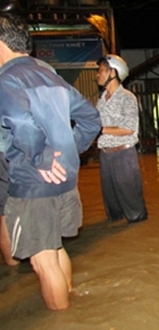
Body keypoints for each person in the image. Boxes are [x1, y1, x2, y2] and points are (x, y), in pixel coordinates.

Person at [0, 14, 101, 310]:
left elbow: (20, 120)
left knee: (42, 262)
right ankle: (70, 306)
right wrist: (68, 151)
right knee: (55, 249)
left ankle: (61, 319)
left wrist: (42, 158)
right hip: (66, 180)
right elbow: (91, 119)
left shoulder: (7, 79)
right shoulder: (50, 76)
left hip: (34, 185)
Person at [95, 54, 148, 224]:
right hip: (105, 155)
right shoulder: (101, 100)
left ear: (113, 73)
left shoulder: (128, 98)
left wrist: (100, 129)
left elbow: (128, 128)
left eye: (102, 71)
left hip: (123, 155)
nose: (98, 74)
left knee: (134, 211)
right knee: (112, 210)